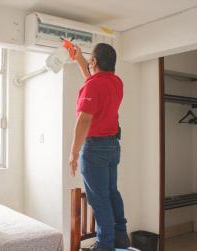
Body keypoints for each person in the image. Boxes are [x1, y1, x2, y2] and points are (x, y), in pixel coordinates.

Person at [69, 43, 130, 251]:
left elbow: (84, 120)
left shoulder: (93, 86)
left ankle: (105, 245)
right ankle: (121, 236)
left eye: (90, 60)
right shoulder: (116, 82)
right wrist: (79, 59)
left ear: (94, 62)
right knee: (112, 192)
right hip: (113, 146)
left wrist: (74, 153)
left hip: (95, 148)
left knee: (99, 199)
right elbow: (94, 80)